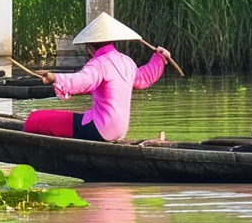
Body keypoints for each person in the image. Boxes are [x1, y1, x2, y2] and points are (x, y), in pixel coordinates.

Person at [24, 13, 172, 142]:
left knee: (34, 119)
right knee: (77, 117)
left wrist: (55, 77)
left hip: (101, 129)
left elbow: (82, 81)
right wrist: (158, 59)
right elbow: (144, 77)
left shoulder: (98, 64)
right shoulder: (126, 61)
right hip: (120, 130)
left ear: (89, 47)